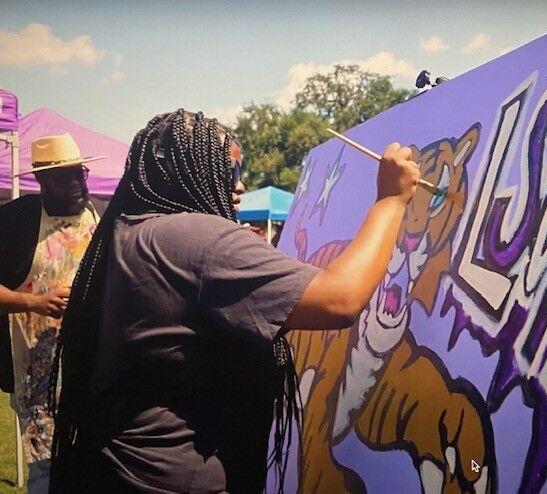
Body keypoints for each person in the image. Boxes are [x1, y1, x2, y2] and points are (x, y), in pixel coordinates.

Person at [49, 109, 420, 493]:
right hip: (175, 480)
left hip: (121, 468)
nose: (240, 187)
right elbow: (341, 299)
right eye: (231, 172)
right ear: (188, 170)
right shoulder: (196, 239)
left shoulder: (133, 231)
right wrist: (391, 201)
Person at [0, 133, 102, 493]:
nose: (77, 183)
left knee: (86, 462)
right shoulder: (14, 221)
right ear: (41, 179)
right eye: (64, 176)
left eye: (80, 173)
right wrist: (34, 303)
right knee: (44, 466)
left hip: (86, 364)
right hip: (34, 370)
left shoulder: (93, 216)